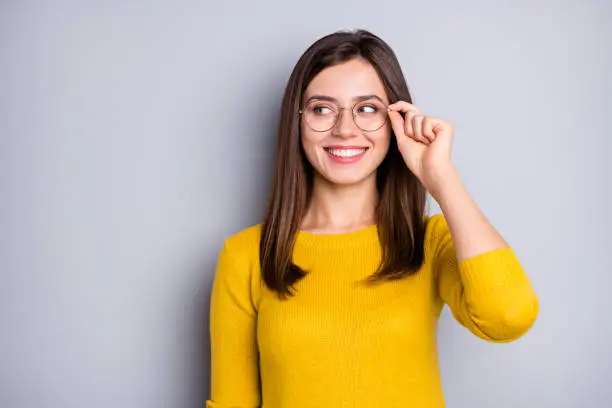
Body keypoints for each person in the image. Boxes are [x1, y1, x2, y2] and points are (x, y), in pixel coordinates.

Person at [205, 29, 539, 408]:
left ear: (395, 121)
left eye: (367, 109)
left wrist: (441, 178)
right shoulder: (246, 255)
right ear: (296, 122)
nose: (345, 129)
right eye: (321, 109)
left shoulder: (428, 242)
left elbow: (508, 318)